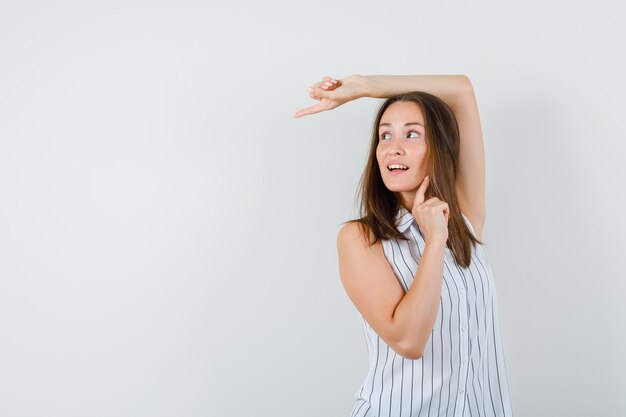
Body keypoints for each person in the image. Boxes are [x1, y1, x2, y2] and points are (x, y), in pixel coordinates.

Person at [294, 74, 514, 417]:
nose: (394, 147)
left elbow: (461, 90)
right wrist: (434, 242)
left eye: (412, 134)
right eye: (385, 135)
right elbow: (409, 340)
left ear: (437, 148)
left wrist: (364, 87)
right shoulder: (361, 238)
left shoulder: (463, 216)